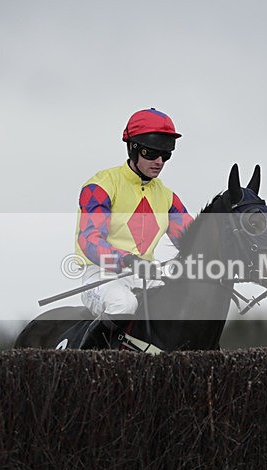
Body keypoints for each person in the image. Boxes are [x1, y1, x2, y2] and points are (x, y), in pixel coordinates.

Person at [73, 108, 193, 347]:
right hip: (100, 275)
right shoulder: (101, 185)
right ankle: (82, 365)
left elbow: (193, 240)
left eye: (166, 155)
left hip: (146, 278)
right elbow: (90, 240)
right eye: (152, 153)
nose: (159, 162)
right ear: (133, 148)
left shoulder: (168, 198)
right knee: (123, 305)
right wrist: (127, 260)